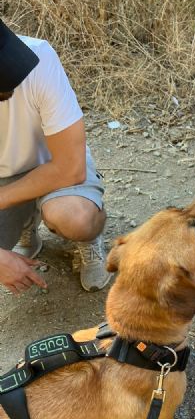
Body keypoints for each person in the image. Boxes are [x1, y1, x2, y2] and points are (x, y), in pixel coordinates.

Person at [0, 18, 110, 294]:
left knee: (75, 218)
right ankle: (26, 224)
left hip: (53, 164)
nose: (17, 71)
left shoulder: (38, 56)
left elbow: (70, 167)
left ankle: (89, 239)